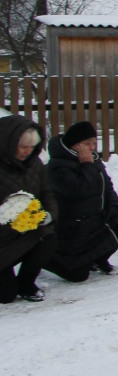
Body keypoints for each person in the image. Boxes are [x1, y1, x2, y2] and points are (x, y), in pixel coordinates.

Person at [44, 121, 118, 281]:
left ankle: (97, 260)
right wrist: (87, 165)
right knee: (77, 276)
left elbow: (106, 185)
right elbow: (81, 189)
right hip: (72, 229)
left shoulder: (92, 160)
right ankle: (47, 259)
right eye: (87, 144)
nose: (91, 148)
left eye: (93, 143)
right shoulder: (58, 166)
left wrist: (113, 206)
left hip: (93, 222)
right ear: (74, 145)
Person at [0, 116, 56, 303]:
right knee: (6, 296)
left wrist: (47, 215)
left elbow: (48, 194)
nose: (28, 151)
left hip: (27, 231)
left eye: (32, 147)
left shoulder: (35, 164)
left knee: (48, 239)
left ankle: (26, 282)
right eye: (23, 146)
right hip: (1, 238)